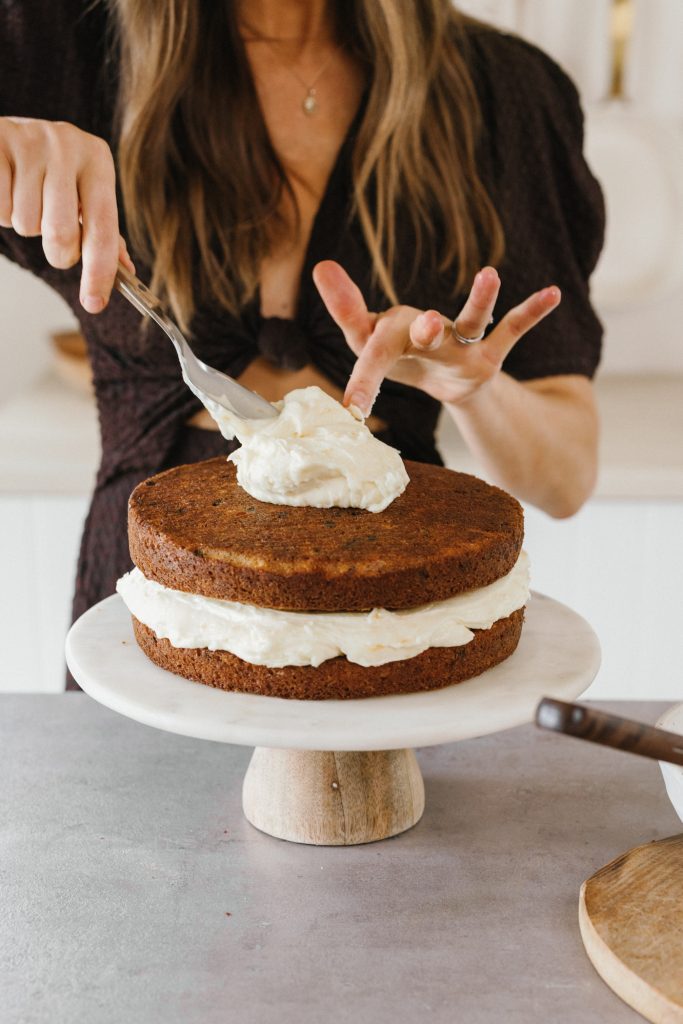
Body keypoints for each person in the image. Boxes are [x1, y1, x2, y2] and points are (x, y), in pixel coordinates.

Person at [0, 1, 604, 655]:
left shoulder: (501, 87)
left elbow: (565, 479)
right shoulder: (58, 38)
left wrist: (471, 391)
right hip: (145, 607)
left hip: (392, 620)